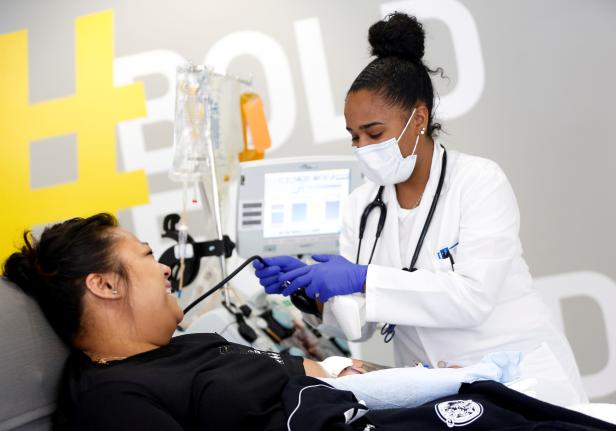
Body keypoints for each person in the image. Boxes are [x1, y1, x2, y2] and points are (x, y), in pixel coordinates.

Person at [253, 12, 587, 407]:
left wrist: (361, 277)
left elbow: (471, 298)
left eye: (374, 133)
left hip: (518, 377)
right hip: (438, 390)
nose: (362, 147)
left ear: (419, 118)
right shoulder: (361, 206)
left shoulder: (479, 181)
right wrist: (309, 293)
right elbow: (359, 324)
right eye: (354, 136)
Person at [2, 213, 520, 431]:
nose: (163, 266)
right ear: (106, 285)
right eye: (144, 256)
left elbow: (330, 374)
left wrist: (431, 383)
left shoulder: (193, 346)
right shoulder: (110, 399)